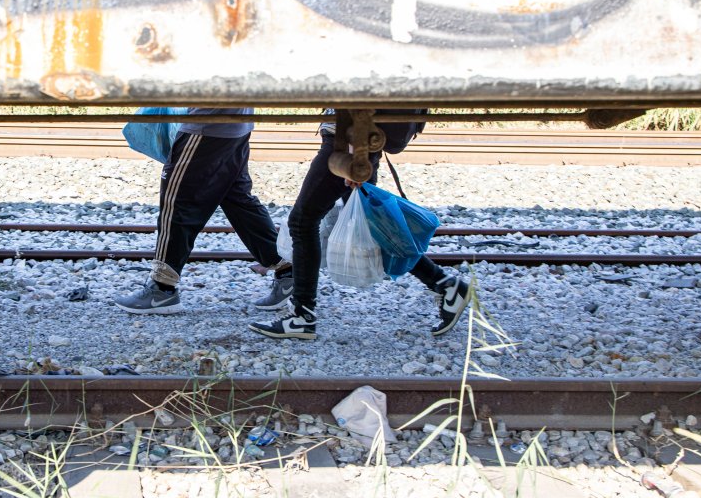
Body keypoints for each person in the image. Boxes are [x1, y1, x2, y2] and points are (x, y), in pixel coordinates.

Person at [249, 109, 470, 340]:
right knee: (373, 229)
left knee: (302, 222)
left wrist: (356, 155)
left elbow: (363, 97)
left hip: (347, 143)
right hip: (352, 140)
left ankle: (301, 317)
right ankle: (446, 286)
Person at [115, 108, 292, 314]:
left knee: (177, 203)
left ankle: (161, 288)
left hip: (207, 126)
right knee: (239, 201)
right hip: (235, 125)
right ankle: (288, 270)